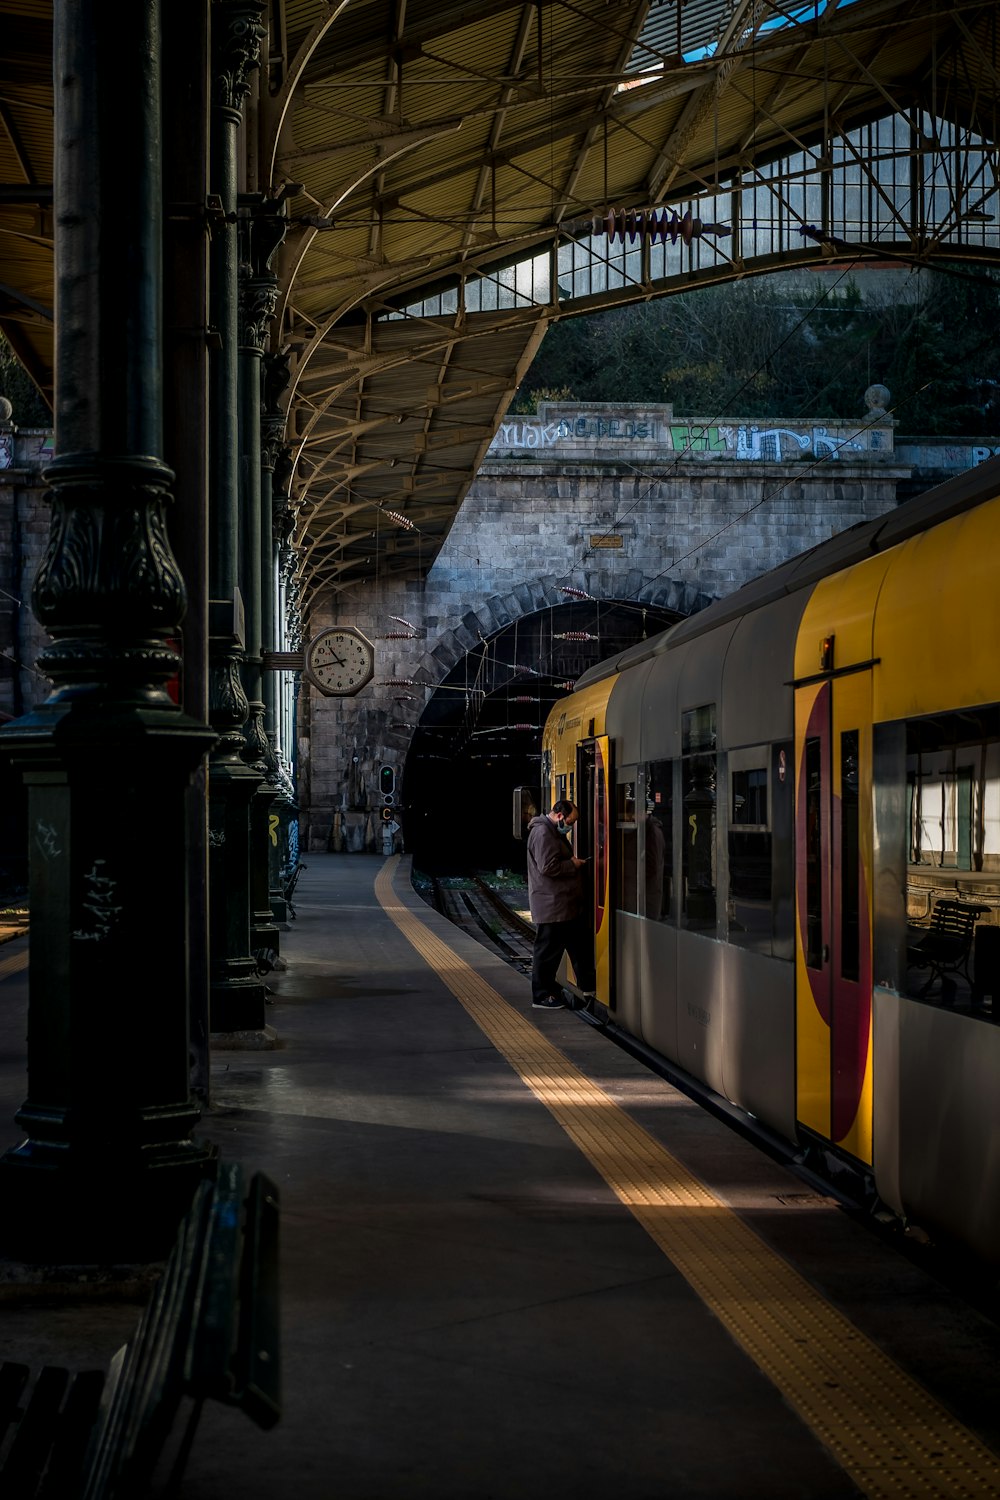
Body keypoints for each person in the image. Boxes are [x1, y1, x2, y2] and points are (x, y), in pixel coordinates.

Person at [526, 799, 596, 1010]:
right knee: (547, 952)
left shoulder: (550, 831)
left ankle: (588, 986)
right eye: (570, 822)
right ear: (559, 815)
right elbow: (548, 867)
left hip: (562, 904)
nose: (570, 826)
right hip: (552, 904)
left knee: (579, 944)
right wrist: (572, 864)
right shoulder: (543, 833)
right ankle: (541, 996)